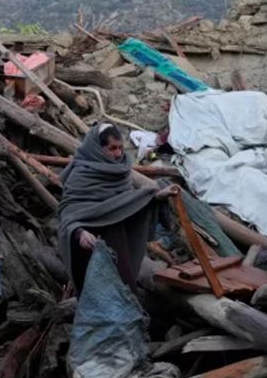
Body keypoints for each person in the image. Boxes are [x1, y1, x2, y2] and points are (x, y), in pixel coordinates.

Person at [57, 123, 178, 291]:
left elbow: (125, 203)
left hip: (119, 242)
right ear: (97, 148)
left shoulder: (120, 171)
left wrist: (154, 197)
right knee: (99, 295)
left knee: (124, 287)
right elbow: (67, 212)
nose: (118, 154)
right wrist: (79, 232)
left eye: (121, 148)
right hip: (93, 246)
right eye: (112, 148)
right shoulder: (81, 174)